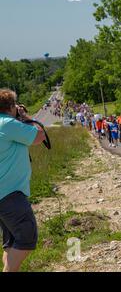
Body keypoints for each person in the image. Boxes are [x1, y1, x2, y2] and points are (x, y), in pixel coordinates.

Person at [0, 89, 46, 272]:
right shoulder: (8, 124)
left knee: (11, 241)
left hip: (3, 194)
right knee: (27, 236)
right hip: (10, 194)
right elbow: (40, 136)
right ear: (11, 106)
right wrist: (25, 116)